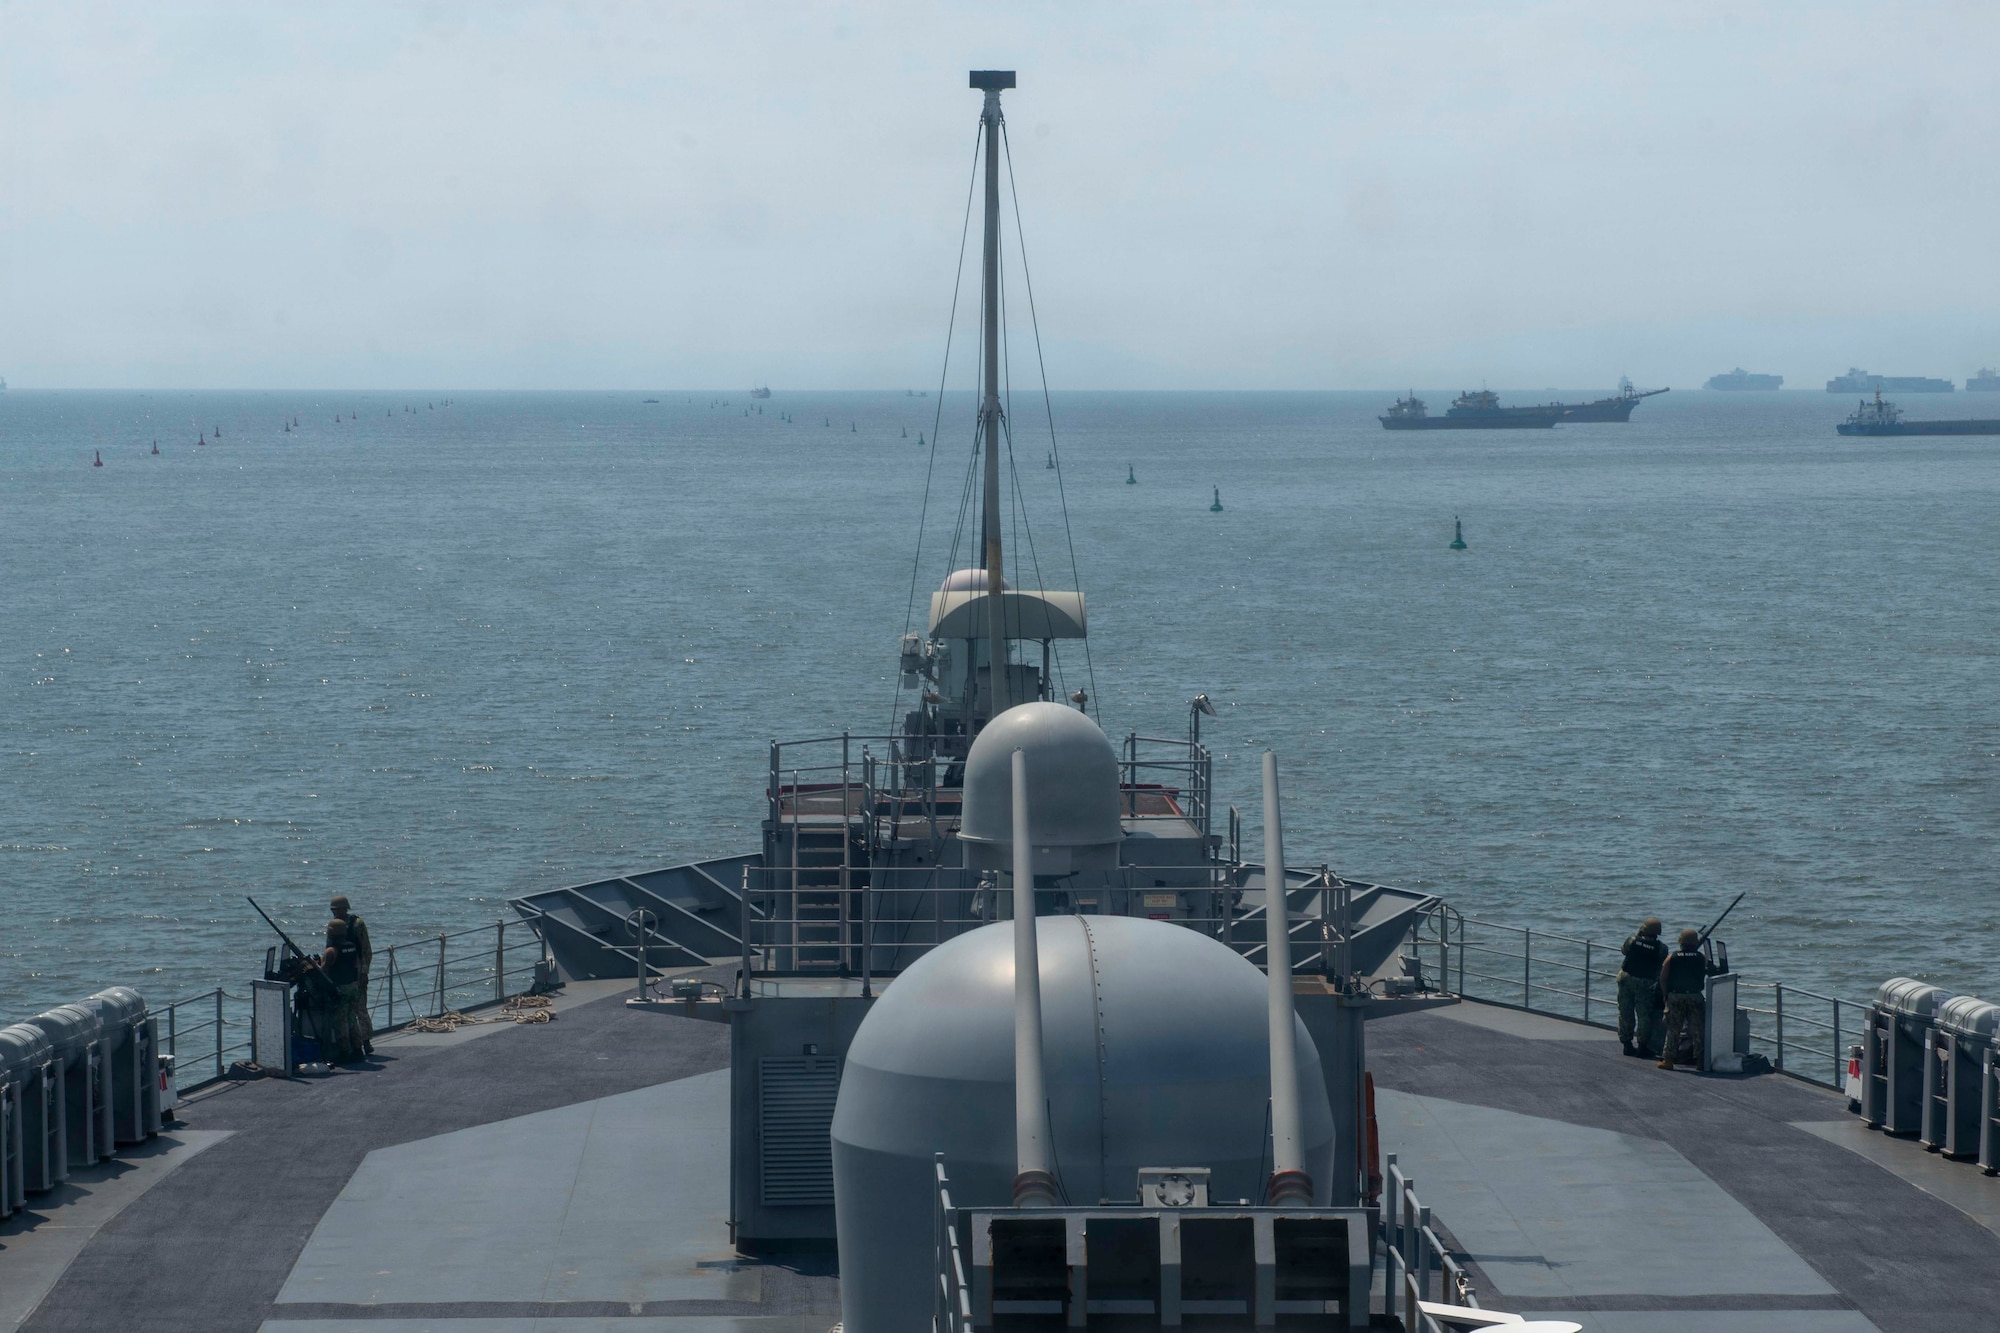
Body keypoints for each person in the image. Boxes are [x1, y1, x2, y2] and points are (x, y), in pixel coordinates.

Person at [1658, 927, 1717, 1070]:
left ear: (1681, 942)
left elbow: (1663, 978)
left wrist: (1665, 995)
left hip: (1676, 996)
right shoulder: (1702, 957)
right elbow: (1709, 970)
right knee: (1697, 1029)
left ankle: (1668, 1060)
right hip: (1695, 996)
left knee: (1673, 1029)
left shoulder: (1672, 957)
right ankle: (1700, 1061)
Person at [1616, 918, 1669, 1058]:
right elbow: (1662, 961)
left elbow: (1623, 950)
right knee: (1644, 1015)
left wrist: (1639, 935)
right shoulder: (1661, 948)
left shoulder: (1632, 940)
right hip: (1644, 983)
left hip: (1625, 978)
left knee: (1625, 1011)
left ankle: (1627, 1044)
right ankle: (1642, 1046)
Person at [331, 894, 374, 1056]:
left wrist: (364, 972)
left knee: (360, 1009)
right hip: (343, 976)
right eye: (333, 911)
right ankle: (351, 1044)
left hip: (356, 974)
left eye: (338, 910)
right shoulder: (335, 927)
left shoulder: (357, 925)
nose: (336, 914)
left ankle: (366, 1041)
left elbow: (366, 951)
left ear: (345, 909)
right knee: (346, 1013)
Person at [322, 918, 366, 1063]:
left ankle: (344, 1052)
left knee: (340, 1020)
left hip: (340, 989)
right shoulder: (352, 947)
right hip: (353, 986)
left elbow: (323, 970)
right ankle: (358, 1049)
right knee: (352, 1019)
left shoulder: (331, 950)